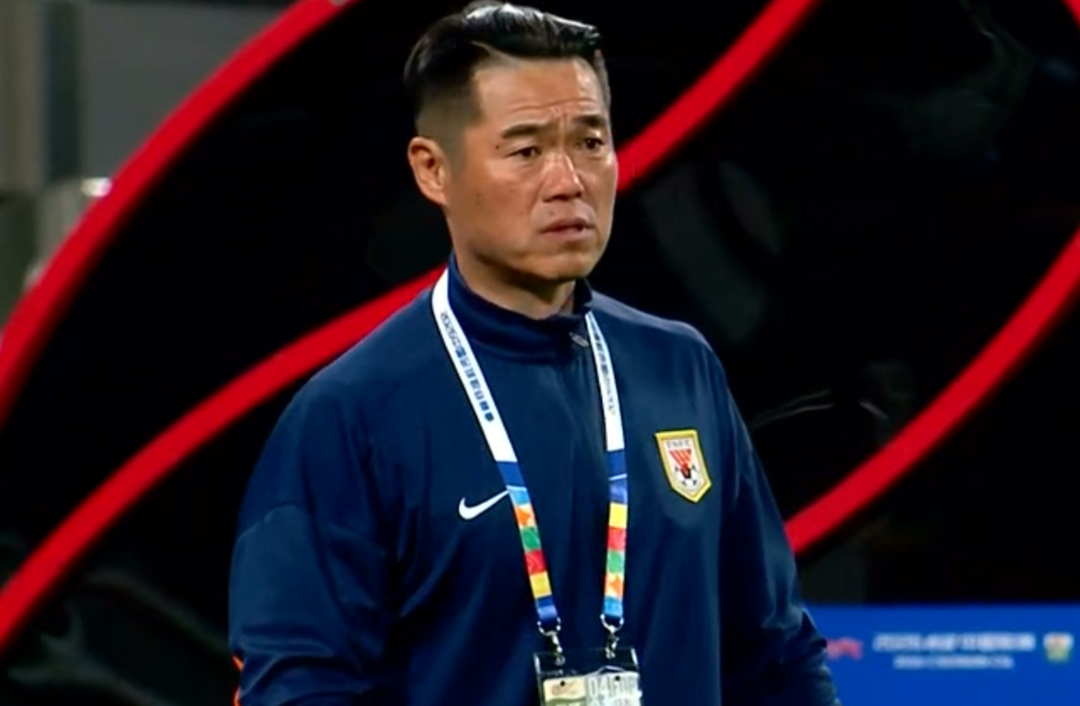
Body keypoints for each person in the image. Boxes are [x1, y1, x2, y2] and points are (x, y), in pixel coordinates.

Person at [228, 2, 841, 705]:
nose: (569, 180)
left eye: (590, 141)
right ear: (433, 170)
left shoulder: (680, 369)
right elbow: (301, 686)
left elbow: (777, 654)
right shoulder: (352, 415)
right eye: (526, 151)